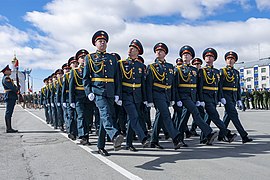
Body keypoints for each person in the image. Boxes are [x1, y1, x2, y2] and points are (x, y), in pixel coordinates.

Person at [83, 30, 124, 156]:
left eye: (104, 41)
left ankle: (101, 146)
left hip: (110, 92)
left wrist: (118, 94)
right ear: (95, 43)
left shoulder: (112, 58)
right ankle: (115, 135)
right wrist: (88, 91)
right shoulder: (89, 58)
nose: (102, 43)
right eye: (100, 41)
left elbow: (117, 78)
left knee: (104, 120)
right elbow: (86, 77)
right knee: (105, 113)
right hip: (98, 91)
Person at [174, 45, 218, 145]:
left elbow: (197, 87)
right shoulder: (177, 69)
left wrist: (198, 99)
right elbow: (175, 87)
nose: (185, 56)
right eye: (184, 54)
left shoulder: (194, 70)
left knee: (184, 119)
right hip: (183, 96)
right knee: (195, 112)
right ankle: (208, 132)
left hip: (192, 97)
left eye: (188, 54)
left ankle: (178, 139)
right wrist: (177, 99)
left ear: (191, 57)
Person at [146, 42, 182, 150]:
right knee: (166, 115)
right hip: (157, 94)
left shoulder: (170, 67)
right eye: (157, 51)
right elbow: (149, 85)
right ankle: (176, 138)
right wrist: (149, 99)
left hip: (167, 94)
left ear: (165, 53)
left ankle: (153, 140)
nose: (158, 52)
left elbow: (173, 85)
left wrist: (172, 98)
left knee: (160, 117)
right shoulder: (151, 67)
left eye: (161, 51)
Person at [198, 48, 237, 143]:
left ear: (214, 59)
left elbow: (218, 86)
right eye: (207, 56)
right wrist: (200, 99)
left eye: (211, 56)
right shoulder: (201, 71)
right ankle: (227, 133)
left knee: (209, 117)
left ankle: (204, 138)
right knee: (215, 116)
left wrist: (219, 98)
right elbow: (199, 87)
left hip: (213, 97)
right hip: (205, 96)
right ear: (204, 58)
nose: (209, 58)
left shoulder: (216, 72)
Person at [118, 39, 149, 151]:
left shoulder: (140, 66)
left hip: (137, 95)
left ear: (138, 52)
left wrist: (145, 99)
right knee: (134, 116)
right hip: (126, 95)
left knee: (132, 120)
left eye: (134, 49)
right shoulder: (121, 64)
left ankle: (128, 143)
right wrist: (118, 96)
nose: (130, 50)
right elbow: (118, 81)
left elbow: (143, 84)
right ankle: (143, 138)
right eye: (130, 48)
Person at [220, 51, 253, 143]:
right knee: (234, 115)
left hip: (233, 96)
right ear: (226, 60)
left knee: (228, 116)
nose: (230, 60)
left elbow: (237, 86)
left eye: (232, 59)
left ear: (235, 61)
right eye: (228, 59)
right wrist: (221, 97)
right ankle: (244, 136)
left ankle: (221, 135)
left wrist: (239, 99)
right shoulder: (222, 71)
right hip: (226, 96)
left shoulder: (236, 72)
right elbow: (220, 86)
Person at [70, 49, 93, 145]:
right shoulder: (74, 72)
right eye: (81, 58)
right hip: (79, 97)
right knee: (81, 116)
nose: (83, 59)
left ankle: (86, 135)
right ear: (78, 60)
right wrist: (72, 100)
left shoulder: (92, 69)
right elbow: (71, 87)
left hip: (89, 96)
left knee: (88, 117)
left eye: (85, 57)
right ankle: (83, 136)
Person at [1, 65, 18, 133]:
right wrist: (16, 89)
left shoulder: (8, 78)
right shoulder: (6, 78)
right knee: (8, 112)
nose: (10, 71)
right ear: (6, 71)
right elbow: (12, 87)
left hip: (11, 96)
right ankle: (8, 128)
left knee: (9, 112)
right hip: (10, 96)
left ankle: (9, 128)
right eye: (9, 70)